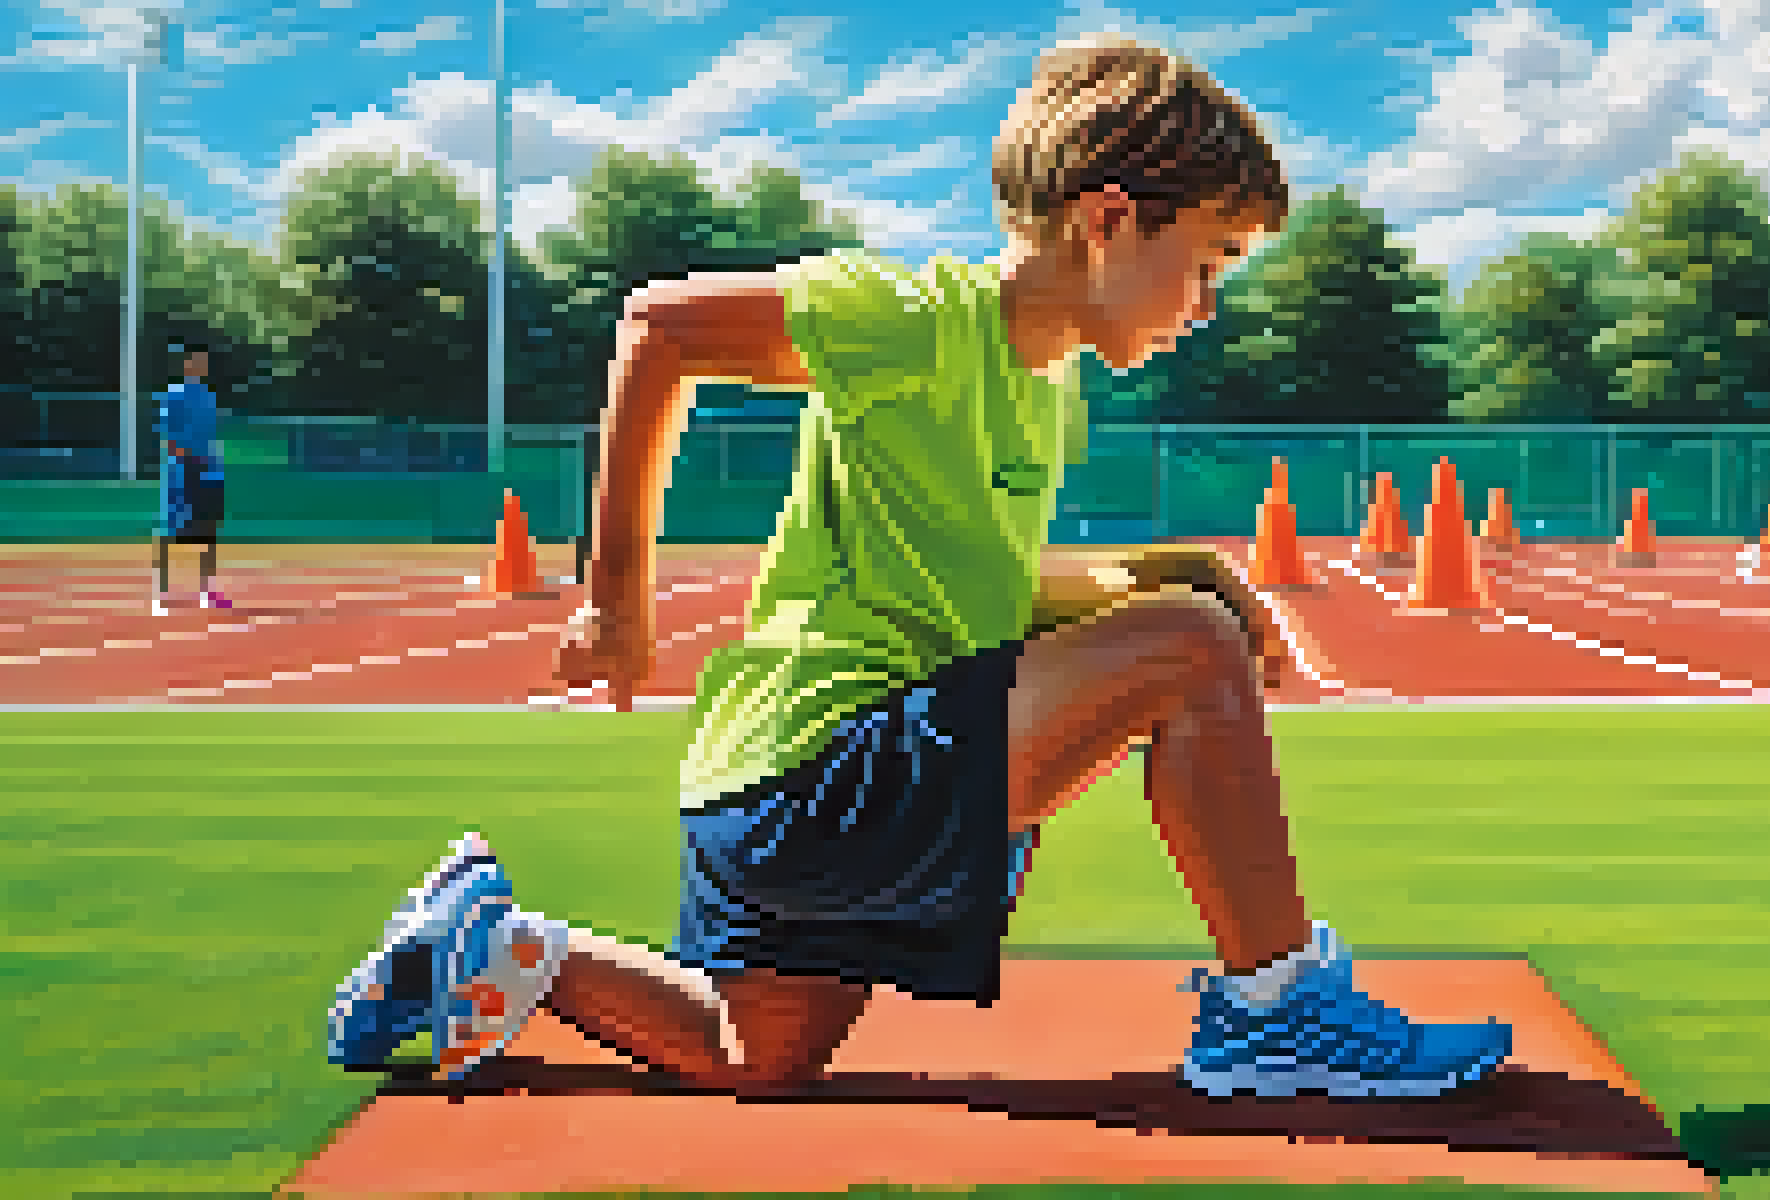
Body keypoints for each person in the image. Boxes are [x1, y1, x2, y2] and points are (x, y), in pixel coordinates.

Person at [327, 33, 1513, 1100]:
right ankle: (1279, 1009)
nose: (1208, 305)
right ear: (1105, 222)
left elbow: (981, 594)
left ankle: (490, 942)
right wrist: (614, 597)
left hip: (769, 800)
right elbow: (660, 325)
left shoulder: (1049, 400)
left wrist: (1166, 573)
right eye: (1208, 260)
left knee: (758, 1055)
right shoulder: (914, 321)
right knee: (1188, 654)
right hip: (815, 775)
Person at [154, 345, 229, 614]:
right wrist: (182, 456)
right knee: (170, 529)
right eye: (196, 361)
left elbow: (210, 436)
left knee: (208, 530)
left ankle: (207, 590)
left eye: (203, 362)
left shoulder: (208, 397)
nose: (201, 366)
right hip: (181, 470)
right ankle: (161, 592)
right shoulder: (172, 396)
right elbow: (166, 434)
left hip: (207, 469)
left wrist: (212, 464)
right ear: (186, 365)